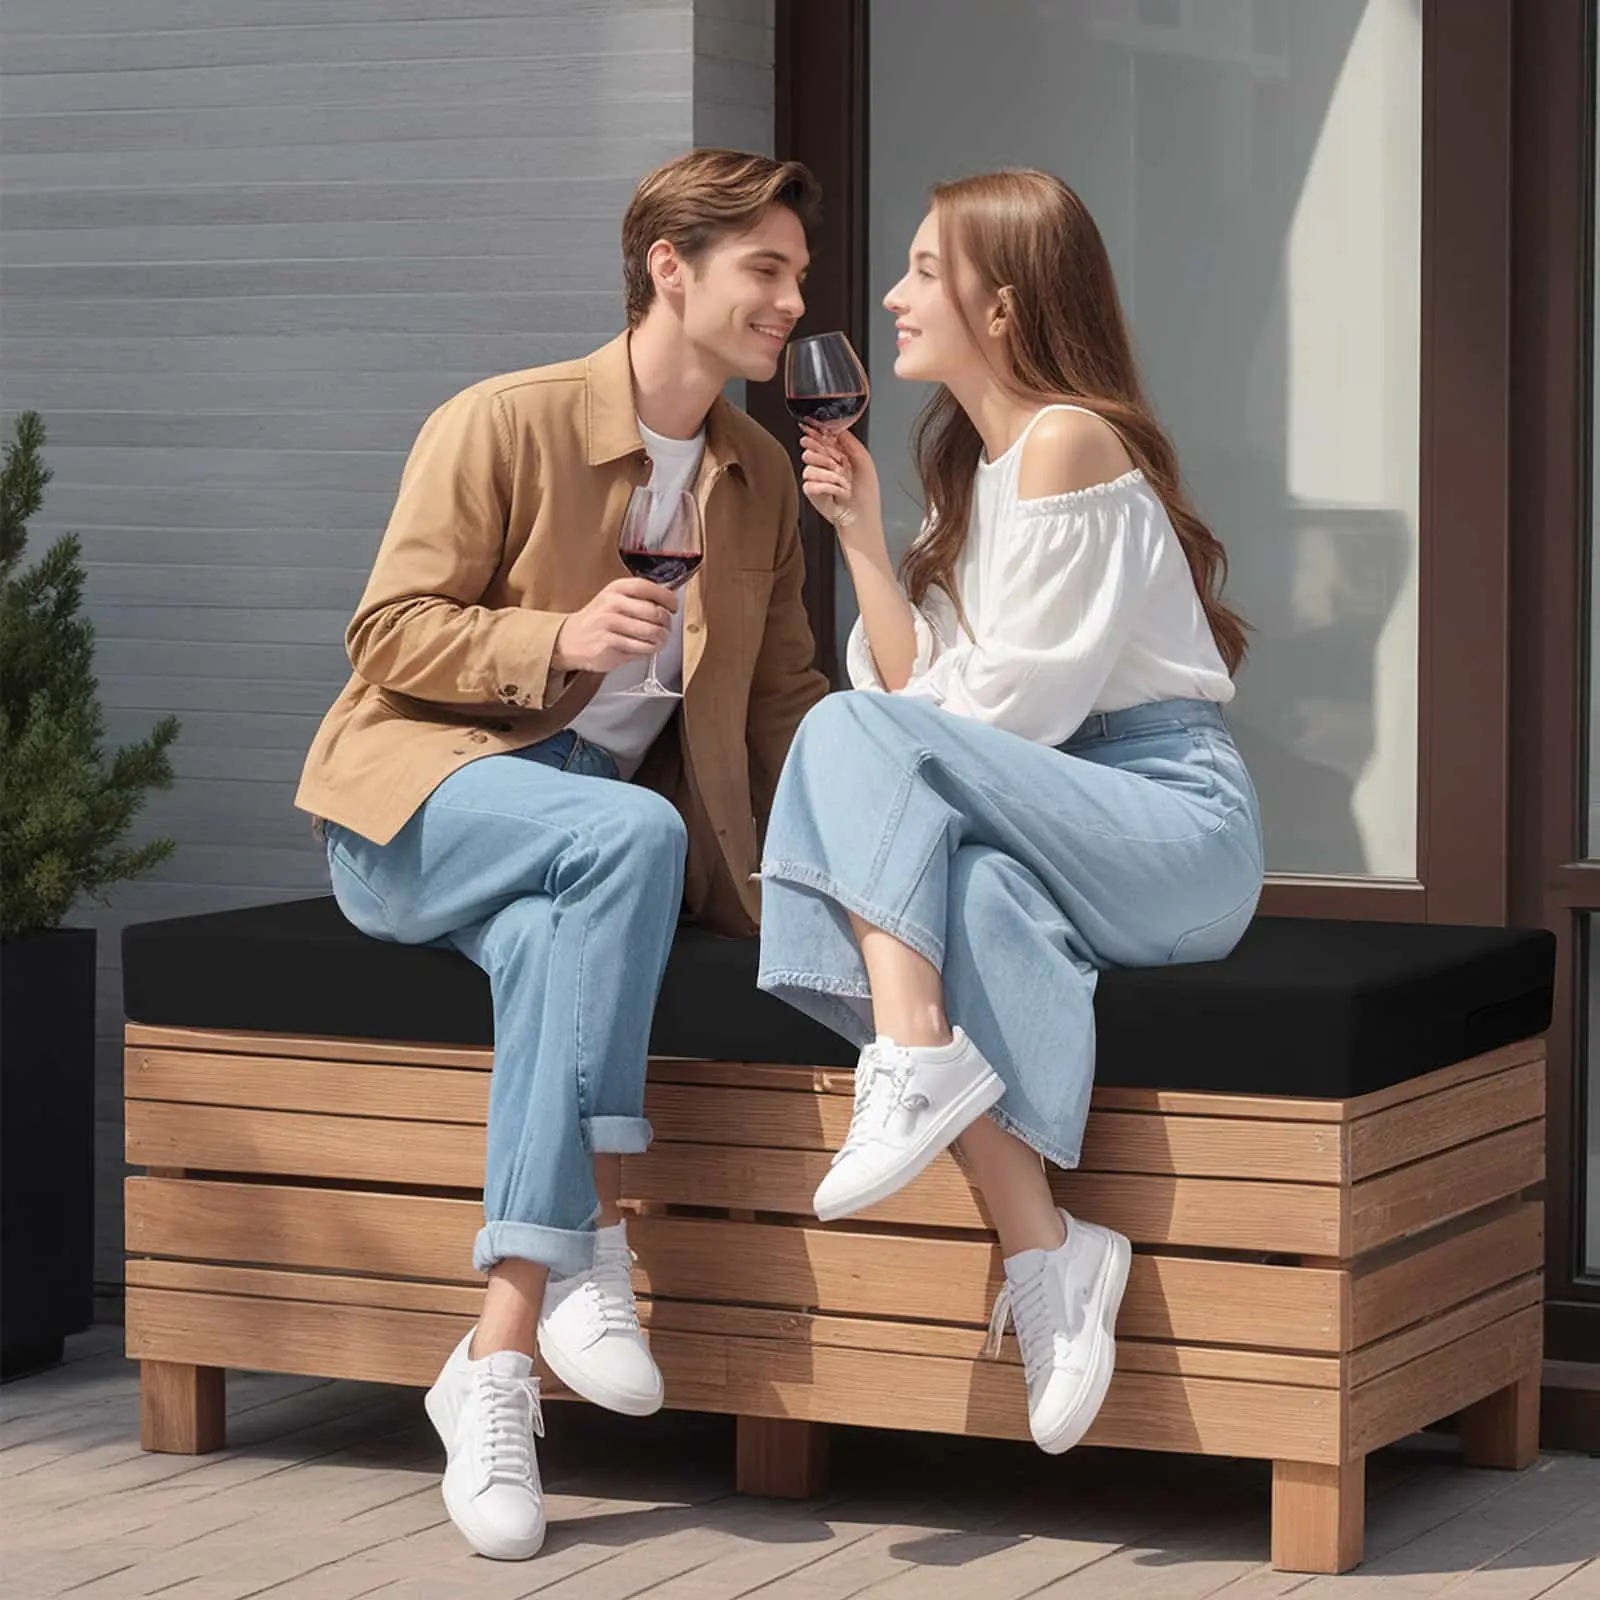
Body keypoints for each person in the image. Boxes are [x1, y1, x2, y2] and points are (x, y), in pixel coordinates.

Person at [295, 148, 829, 1562]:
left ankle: (499, 1357)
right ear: (672, 266)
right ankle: (597, 1231)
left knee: (566, 921)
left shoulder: (759, 475)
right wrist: (558, 642)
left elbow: (783, 698)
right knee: (624, 832)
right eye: (763, 271)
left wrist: (871, 836)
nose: (789, 301)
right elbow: (386, 633)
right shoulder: (505, 420)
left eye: (797, 277)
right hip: (423, 802)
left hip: (591, 838)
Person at [757, 168, 1263, 1457]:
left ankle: (912, 1055)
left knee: (845, 733)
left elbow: (991, 716)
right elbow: (922, 698)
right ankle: (1048, 1254)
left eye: (927, 269)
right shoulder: (977, 475)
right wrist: (867, 541)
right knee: (965, 888)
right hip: (1053, 803)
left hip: (1170, 825)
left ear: (1006, 301)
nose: (892, 295)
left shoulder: (1068, 440)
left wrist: (885, 730)